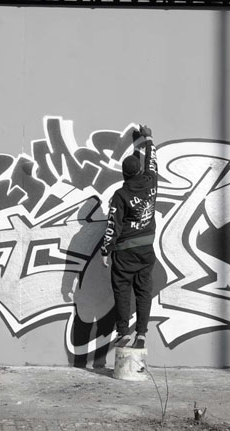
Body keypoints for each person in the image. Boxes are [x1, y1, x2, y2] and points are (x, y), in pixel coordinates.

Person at [101, 125, 158, 349]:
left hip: (125, 252)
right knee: (144, 292)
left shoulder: (121, 195)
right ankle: (141, 334)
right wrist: (148, 139)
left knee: (122, 290)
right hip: (146, 250)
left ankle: (123, 332)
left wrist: (106, 250)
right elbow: (152, 163)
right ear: (139, 171)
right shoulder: (151, 182)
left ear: (124, 174)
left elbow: (113, 225)